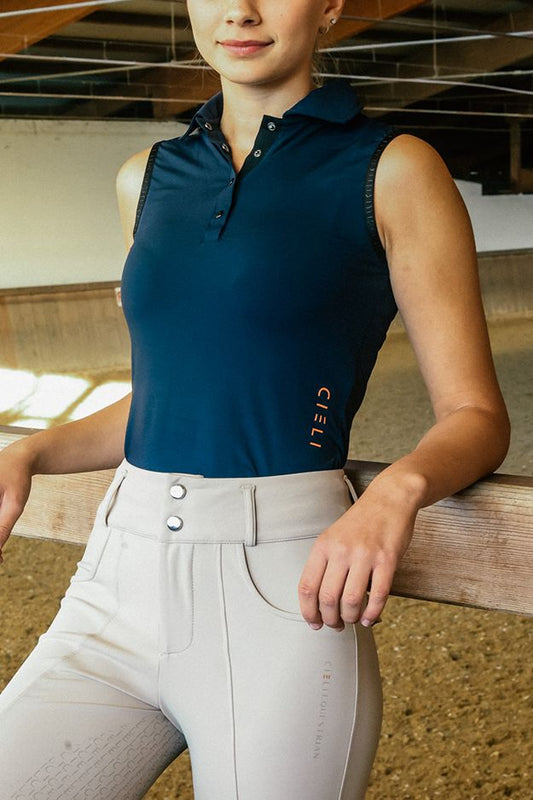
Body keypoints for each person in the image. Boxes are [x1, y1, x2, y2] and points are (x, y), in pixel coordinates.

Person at [0, 1, 510, 798]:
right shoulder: (149, 175)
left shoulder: (392, 168)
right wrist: (30, 449)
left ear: (330, 5)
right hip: (116, 577)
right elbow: (169, 398)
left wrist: (394, 492)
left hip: (283, 594)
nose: (239, 9)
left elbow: (476, 418)